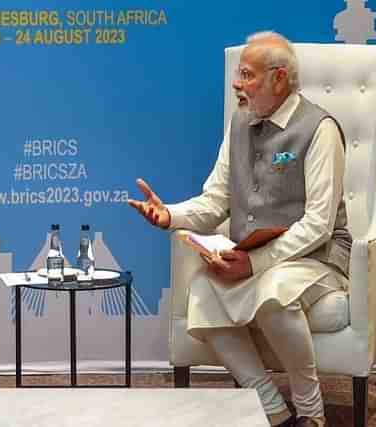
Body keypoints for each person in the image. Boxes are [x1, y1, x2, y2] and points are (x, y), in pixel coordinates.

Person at [129, 31, 351, 427]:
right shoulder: (240, 123)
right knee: (202, 294)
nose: (236, 84)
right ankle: (272, 409)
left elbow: (319, 224)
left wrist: (254, 264)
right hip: (255, 256)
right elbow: (215, 200)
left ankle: (311, 413)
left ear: (278, 79)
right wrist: (171, 216)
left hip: (316, 257)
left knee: (275, 293)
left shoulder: (320, 129)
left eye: (247, 75)